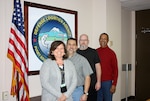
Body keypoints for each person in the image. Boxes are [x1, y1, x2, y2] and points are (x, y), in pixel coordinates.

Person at [77, 34, 101, 101]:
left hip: (92, 84)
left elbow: (98, 67)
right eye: (81, 40)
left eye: (85, 40)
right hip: (79, 85)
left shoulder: (93, 52)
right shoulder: (76, 52)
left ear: (88, 41)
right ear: (79, 41)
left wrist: (98, 81)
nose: (83, 42)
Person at [96, 33, 118, 101]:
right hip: (97, 82)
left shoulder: (112, 53)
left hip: (107, 83)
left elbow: (115, 70)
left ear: (107, 40)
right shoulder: (95, 52)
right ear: (99, 40)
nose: (103, 40)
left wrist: (114, 84)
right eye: (101, 39)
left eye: (105, 39)